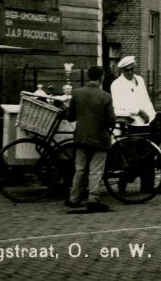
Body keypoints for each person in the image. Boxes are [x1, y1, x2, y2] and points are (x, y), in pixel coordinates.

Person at [66, 65, 115, 212]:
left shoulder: (76, 93)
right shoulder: (106, 96)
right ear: (101, 78)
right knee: (96, 170)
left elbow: (71, 116)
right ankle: (93, 199)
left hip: (81, 137)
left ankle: (73, 198)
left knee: (80, 169)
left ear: (88, 76)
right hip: (100, 138)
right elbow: (111, 121)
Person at [110, 56, 157, 192]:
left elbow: (146, 99)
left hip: (147, 121)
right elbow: (118, 106)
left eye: (132, 69)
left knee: (150, 155)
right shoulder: (117, 84)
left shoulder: (140, 80)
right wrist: (138, 111)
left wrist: (151, 114)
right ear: (122, 70)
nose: (130, 73)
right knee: (135, 158)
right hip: (133, 124)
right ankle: (124, 180)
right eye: (127, 70)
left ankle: (148, 186)